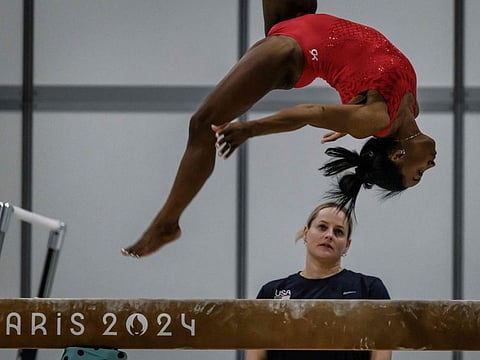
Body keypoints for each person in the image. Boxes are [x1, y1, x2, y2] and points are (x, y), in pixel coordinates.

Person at [121, 0, 436, 258]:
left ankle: (167, 222)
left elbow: (309, 112)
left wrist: (251, 129)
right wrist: (348, 116)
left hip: (290, 52)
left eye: (419, 172)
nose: (431, 164)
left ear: (398, 155)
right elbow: (366, 67)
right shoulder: (406, 108)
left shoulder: (377, 119)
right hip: (297, 19)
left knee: (201, 125)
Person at [246, 202, 392, 360]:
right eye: (322, 227)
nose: (329, 235)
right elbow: (256, 354)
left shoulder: (368, 289)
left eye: (338, 232)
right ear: (306, 233)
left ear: (347, 245)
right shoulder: (271, 292)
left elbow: (382, 352)